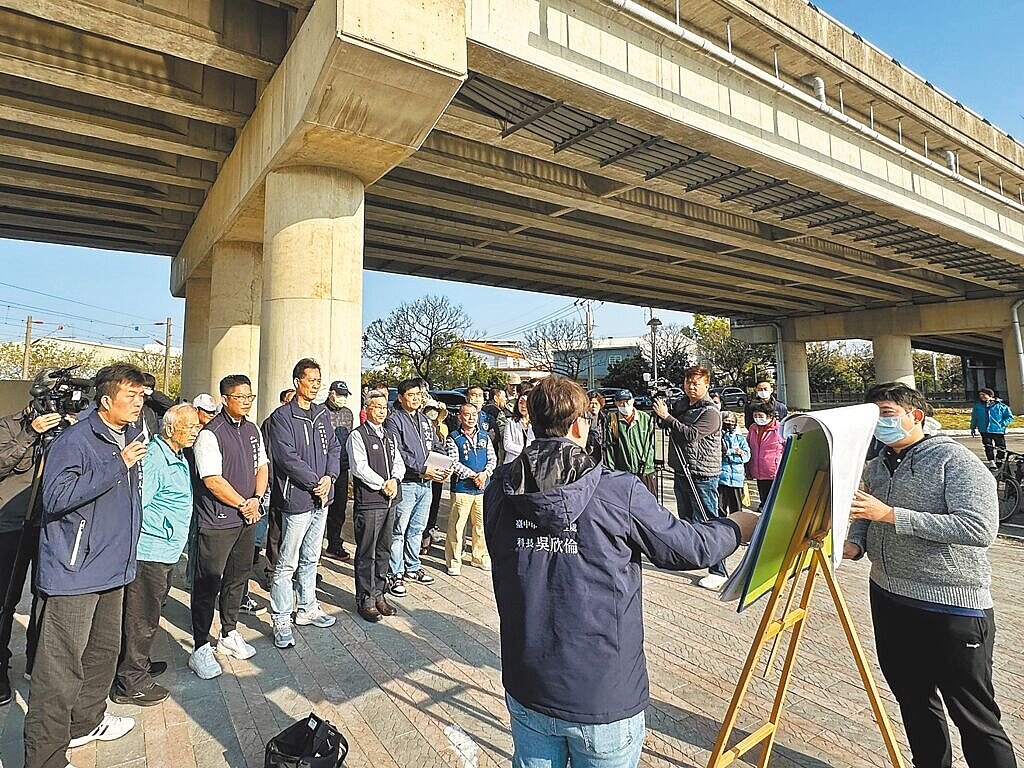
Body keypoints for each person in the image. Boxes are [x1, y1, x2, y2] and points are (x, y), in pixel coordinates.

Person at [484, 376, 757, 768]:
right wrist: (736, 526)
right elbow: (688, 548)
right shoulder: (616, 491)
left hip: (529, 680)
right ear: (579, 426)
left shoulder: (500, 487)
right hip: (602, 694)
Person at [845, 382, 1017, 768]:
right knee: (914, 701)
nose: (880, 424)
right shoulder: (877, 464)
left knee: (974, 716)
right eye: (874, 417)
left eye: (887, 414)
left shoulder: (955, 460)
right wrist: (856, 544)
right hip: (889, 597)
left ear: (916, 416)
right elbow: (866, 514)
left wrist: (892, 516)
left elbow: (979, 528)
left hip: (951, 606)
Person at [26, 363, 148, 768]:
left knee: (102, 655)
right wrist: (118, 464)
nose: (139, 403)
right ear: (106, 400)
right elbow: (56, 497)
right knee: (59, 672)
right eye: (131, 395)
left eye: (141, 395)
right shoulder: (75, 440)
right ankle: (44, 758)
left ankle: (86, 723)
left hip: (114, 568)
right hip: (74, 573)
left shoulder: (128, 435)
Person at [112, 404, 201, 704]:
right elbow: (137, 506)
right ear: (171, 428)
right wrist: (159, 531)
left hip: (166, 551)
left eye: (197, 426)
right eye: (190, 426)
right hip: (150, 552)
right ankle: (131, 681)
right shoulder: (154, 458)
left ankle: (137, 665)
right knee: (142, 619)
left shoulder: (178, 454)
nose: (195, 431)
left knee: (148, 614)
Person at [188, 375, 267, 679]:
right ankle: (199, 646)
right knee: (208, 583)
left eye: (249, 397)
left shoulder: (252, 429)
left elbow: (262, 466)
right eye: (240, 397)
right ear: (224, 399)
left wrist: (257, 499)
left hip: (247, 518)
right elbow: (212, 480)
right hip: (218, 521)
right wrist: (243, 503)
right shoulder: (210, 434)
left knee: (238, 578)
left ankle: (229, 632)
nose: (246, 402)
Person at [267, 359, 341, 649]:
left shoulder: (322, 413)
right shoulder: (282, 416)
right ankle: (281, 617)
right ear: (297, 381)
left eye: (318, 380)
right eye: (311, 380)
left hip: (322, 497)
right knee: (287, 561)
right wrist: (315, 482)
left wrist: (330, 477)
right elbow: (286, 457)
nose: (315, 385)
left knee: (311, 557)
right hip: (297, 498)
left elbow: (333, 447)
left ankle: (308, 607)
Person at [0, 401, 65, 706]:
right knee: (4, 601)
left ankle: (35, 661)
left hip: (46, 525)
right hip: (9, 526)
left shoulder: (65, 428)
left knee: (45, 598)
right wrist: (30, 433)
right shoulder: (8, 426)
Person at [652, 366, 726, 590]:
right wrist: (662, 414)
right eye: (688, 382)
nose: (691, 387)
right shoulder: (682, 405)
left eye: (696, 383)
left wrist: (667, 416)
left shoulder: (710, 412)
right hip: (682, 469)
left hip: (702, 473)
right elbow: (666, 425)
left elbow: (690, 435)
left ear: (707, 385)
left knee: (708, 521)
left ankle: (718, 570)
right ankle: (691, 556)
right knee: (685, 519)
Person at [384, 379, 448, 598]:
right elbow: (397, 452)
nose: (416, 399)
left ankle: (412, 566)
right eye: (411, 395)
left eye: (418, 395)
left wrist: (443, 466)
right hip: (408, 483)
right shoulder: (394, 420)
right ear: (401, 398)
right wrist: (422, 469)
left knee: (417, 528)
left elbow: (437, 446)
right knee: (398, 530)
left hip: (426, 484)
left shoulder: (425, 420)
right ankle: (395, 572)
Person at [347, 392, 405, 622]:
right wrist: (382, 484)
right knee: (367, 552)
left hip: (390, 500)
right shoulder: (358, 435)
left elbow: (398, 462)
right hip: (371, 502)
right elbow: (359, 467)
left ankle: (379, 595)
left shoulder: (389, 435)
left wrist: (395, 480)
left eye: (384, 407)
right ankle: (365, 599)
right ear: (367, 409)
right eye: (377, 406)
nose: (382, 411)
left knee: (384, 550)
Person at [445, 403, 496, 575]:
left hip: (482, 488)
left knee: (480, 525)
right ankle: (454, 560)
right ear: (460, 417)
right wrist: (474, 475)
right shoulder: (454, 437)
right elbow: (453, 462)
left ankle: (479, 556)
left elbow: (492, 459)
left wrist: (484, 474)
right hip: (462, 488)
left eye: (474, 414)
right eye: (467, 414)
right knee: (457, 526)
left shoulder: (484, 436)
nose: (471, 418)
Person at [323, 380, 355, 562]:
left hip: (342, 468)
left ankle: (334, 544)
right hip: (323, 469)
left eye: (345, 395)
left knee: (339, 509)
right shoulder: (320, 411)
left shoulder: (348, 413)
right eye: (340, 395)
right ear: (331, 394)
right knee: (321, 509)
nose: (342, 398)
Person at [603, 389, 656, 495]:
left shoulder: (645, 418)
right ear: (616, 403)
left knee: (648, 501)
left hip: (645, 471)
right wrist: (611, 471)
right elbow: (609, 448)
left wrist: (648, 465)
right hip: (623, 471)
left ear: (632, 401)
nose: (625, 405)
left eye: (627, 401)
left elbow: (652, 445)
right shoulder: (612, 421)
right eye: (621, 402)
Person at [420, 399, 448, 555]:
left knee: (434, 505)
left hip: (437, 471)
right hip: (422, 472)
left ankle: (428, 534)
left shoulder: (442, 428)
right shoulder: (419, 427)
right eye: (429, 410)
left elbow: (442, 449)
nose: (432, 414)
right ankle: (421, 536)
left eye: (435, 411)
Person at [746, 401, 785, 510]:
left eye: (760, 415)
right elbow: (748, 444)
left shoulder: (780, 429)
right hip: (757, 467)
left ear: (769, 415)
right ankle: (763, 506)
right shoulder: (753, 428)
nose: (757, 418)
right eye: (755, 416)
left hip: (773, 469)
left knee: (774, 495)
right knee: (762, 491)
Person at [970, 388, 1014, 463]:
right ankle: (991, 461)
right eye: (980, 395)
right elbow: (974, 418)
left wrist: (1002, 424)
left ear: (990, 395)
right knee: (988, 446)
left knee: (1001, 447)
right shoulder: (977, 407)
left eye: (983, 394)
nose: (981, 396)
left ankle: (999, 459)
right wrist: (972, 428)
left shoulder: (1001, 406)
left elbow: (1009, 417)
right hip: (984, 430)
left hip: (998, 430)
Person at [718, 411, 750, 514]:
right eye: (726, 421)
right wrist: (734, 451)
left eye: (732, 421)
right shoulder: (718, 437)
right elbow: (719, 453)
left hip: (737, 478)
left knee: (736, 509)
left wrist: (729, 456)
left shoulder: (740, 439)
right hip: (721, 477)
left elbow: (746, 456)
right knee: (720, 508)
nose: (729, 424)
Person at [138, 372, 175, 442]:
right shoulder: (131, 405)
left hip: (151, 443)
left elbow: (172, 407)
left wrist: (152, 393)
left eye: (148, 388)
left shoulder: (152, 406)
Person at [503, 393, 534, 464]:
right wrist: (526, 451)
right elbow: (507, 445)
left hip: (531, 462)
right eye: (521, 402)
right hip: (512, 462)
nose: (523, 406)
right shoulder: (510, 422)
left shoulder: (536, 423)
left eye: (526, 403)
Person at [585, 391, 607, 461]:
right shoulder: (584, 419)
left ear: (600, 405)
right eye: (591, 403)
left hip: (603, 452)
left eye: (596, 403)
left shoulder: (605, 418)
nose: (594, 406)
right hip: (589, 453)